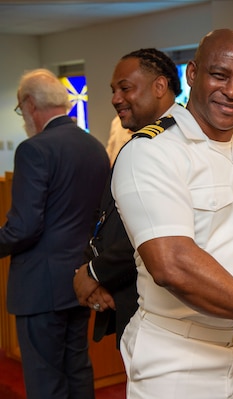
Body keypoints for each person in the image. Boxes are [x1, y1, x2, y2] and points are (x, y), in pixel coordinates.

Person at [111, 29, 233, 398]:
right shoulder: (152, 152)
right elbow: (174, 266)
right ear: (192, 74)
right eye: (219, 75)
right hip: (177, 360)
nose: (232, 91)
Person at [0, 68, 110, 399]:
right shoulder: (94, 147)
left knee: (46, 380)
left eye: (22, 110)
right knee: (77, 369)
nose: (24, 119)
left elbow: (24, 228)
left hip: (39, 287)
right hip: (80, 280)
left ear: (31, 104)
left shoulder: (34, 149)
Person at [73, 48, 182, 349]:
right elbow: (105, 216)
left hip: (161, 313)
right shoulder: (139, 141)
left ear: (160, 87)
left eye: (125, 88)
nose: (115, 98)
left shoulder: (178, 143)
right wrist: (87, 270)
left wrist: (94, 273)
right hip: (124, 300)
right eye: (113, 90)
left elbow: (151, 230)